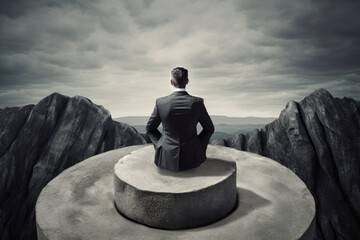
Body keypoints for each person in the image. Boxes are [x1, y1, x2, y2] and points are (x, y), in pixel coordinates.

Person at [146, 67, 215, 171]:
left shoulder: (160, 103)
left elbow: (150, 129)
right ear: (187, 81)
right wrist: (199, 146)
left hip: (166, 157)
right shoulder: (197, 103)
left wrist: (161, 145)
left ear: (171, 82)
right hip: (193, 158)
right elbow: (209, 129)